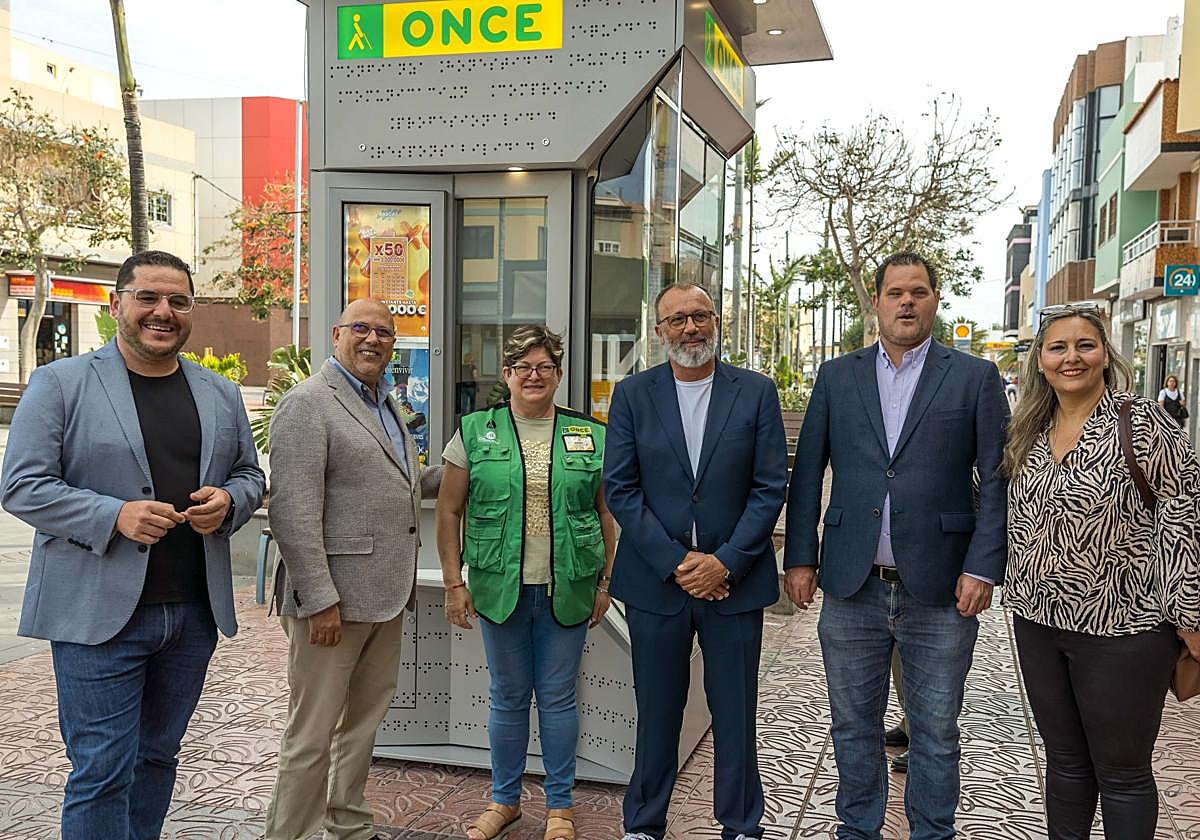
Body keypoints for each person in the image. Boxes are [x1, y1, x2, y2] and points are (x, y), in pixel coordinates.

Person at [0, 250, 265, 839]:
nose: (163, 312)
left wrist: (229, 501)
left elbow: (250, 476)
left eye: (178, 301)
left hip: (191, 614)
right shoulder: (59, 383)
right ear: (117, 303)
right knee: (101, 771)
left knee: (156, 761)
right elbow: (21, 486)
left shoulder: (220, 394)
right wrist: (112, 514)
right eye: (148, 297)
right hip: (97, 617)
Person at [784, 251, 1009, 840]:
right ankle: (856, 830)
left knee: (935, 729)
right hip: (852, 585)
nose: (906, 302)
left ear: (936, 300)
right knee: (852, 726)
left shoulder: (974, 378)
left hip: (940, 588)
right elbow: (808, 473)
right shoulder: (837, 376)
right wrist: (801, 558)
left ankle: (931, 832)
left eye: (918, 292)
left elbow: (997, 476)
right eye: (895, 292)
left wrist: (983, 567)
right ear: (877, 302)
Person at [1002, 303, 1200, 840]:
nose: (1072, 358)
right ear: (1040, 360)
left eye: (1084, 345)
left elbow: (1184, 516)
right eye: (1058, 347)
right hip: (1038, 620)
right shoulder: (1029, 429)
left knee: (1123, 773)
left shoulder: (1141, 423)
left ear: (1105, 356)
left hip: (1125, 629)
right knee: (1065, 763)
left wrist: (1189, 617)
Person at [603, 282, 787, 840]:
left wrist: (724, 562)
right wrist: (679, 561)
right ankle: (644, 823)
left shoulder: (755, 392)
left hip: (735, 583)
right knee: (657, 710)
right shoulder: (633, 395)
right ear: (659, 332)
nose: (691, 328)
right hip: (656, 585)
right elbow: (621, 488)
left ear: (717, 323)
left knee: (735, 713)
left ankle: (741, 823)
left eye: (701, 316)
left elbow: (769, 485)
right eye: (677, 319)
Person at [264, 298, 441, 840]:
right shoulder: (309, 403)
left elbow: (400, 483)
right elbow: (292, 510)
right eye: (361, 328)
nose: (373, 339)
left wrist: (460, 470)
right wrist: (320, 600)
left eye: (384, 332)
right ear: (337, 333)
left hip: (386, 596)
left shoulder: (383, 403)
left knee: (362, 729)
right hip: (331, 605)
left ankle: (348, 825)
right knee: (312, 734)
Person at [437, 325, 614, 840]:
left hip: (569, 588)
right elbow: (448, 512)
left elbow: (606, 513)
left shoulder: (591, 434)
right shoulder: (473, 431)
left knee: (558, 698)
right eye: (523, 367)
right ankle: (505, 801)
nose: (533, 376)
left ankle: (560, 808)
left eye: (544, 367)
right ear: (507, 375)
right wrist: (454, 583)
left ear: (558, 375)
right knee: (508, 697)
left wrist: (605, 582)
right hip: (498, 588)